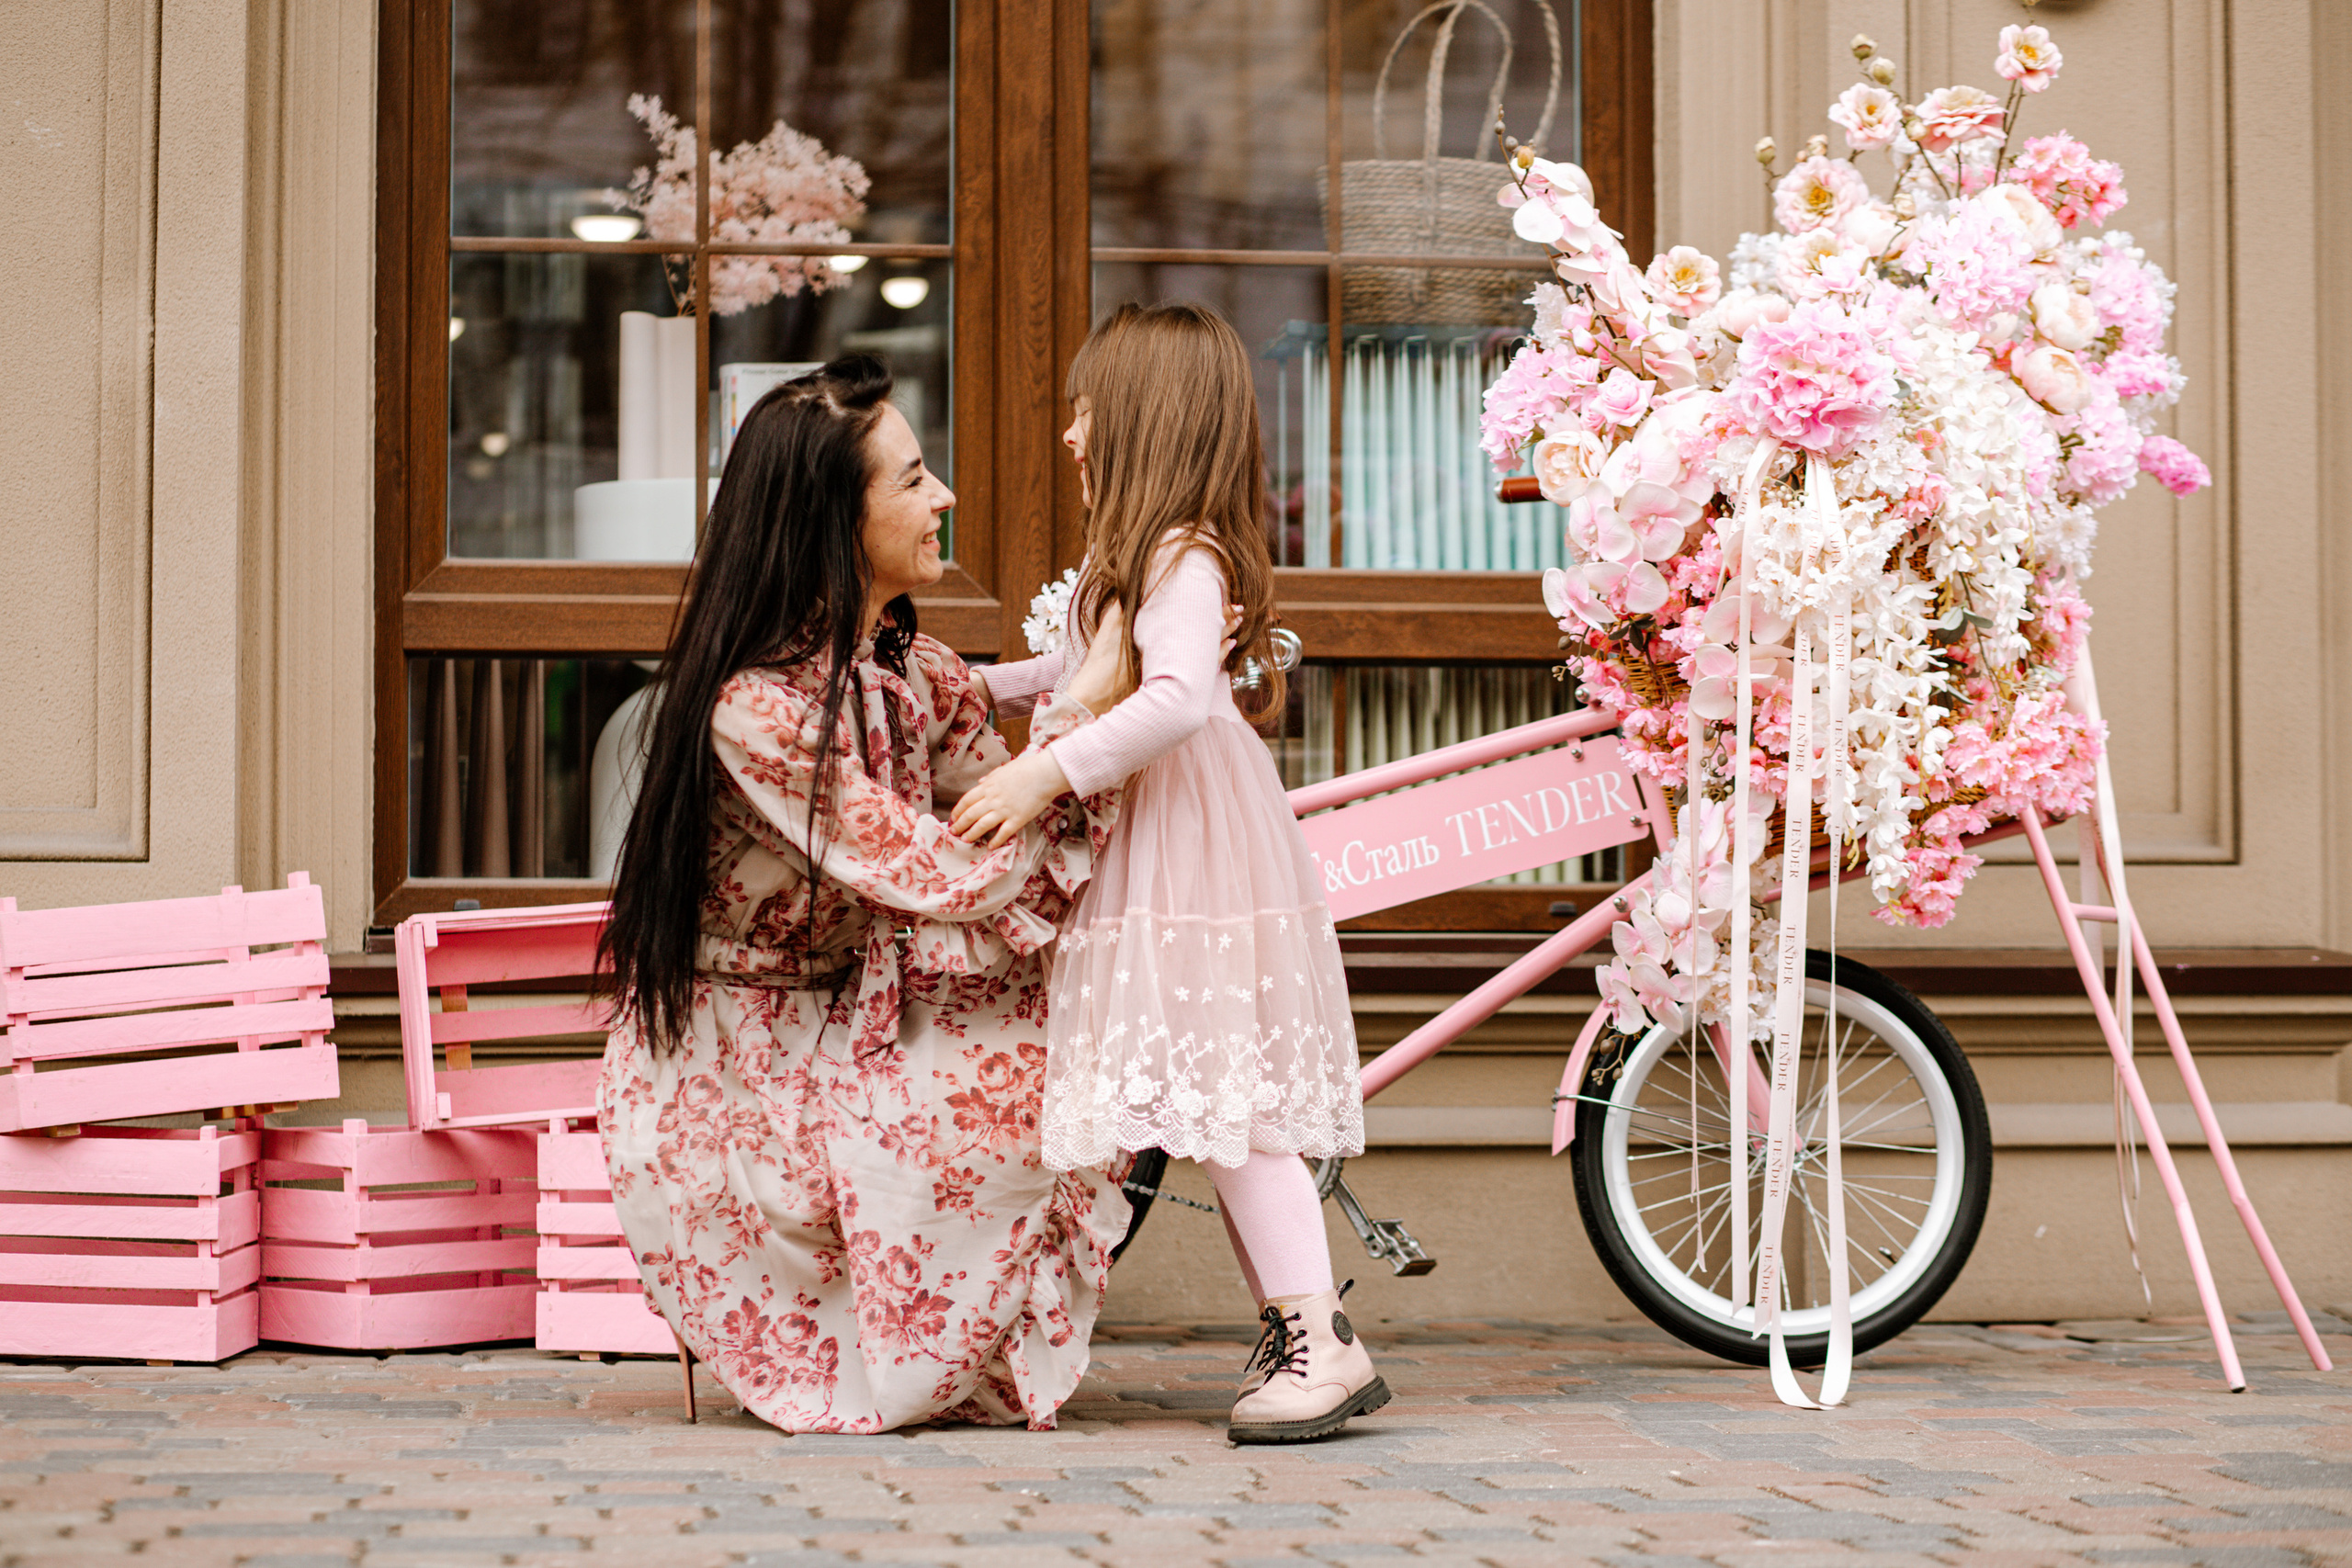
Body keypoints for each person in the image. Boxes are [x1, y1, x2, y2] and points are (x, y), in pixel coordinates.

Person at [596, 354, 1138, 1434]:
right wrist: (1082, 716)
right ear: (829, 519)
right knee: (1030, 1072)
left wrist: (1092, 713)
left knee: (1070, 1048)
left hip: (845, 1031)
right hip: (743, 1084)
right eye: (913, 478)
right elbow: (952, 873)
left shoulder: (904, 671)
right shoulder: (757, 709)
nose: (943, 498)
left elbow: (990, 793)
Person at [950, 302, 1384, 1443]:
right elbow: (1090, 662)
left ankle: (1319, 1340)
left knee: (1228, 1104)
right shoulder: (1147, 558)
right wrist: (966, 688)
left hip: (1190, 841)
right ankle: (1305, 1329)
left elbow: (1178, 695)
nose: (1071, 434)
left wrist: (1042, 773)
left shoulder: (1181, 554)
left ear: (1142, 418)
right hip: (1175, 833)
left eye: (1087, 409)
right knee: (1216, 1111)